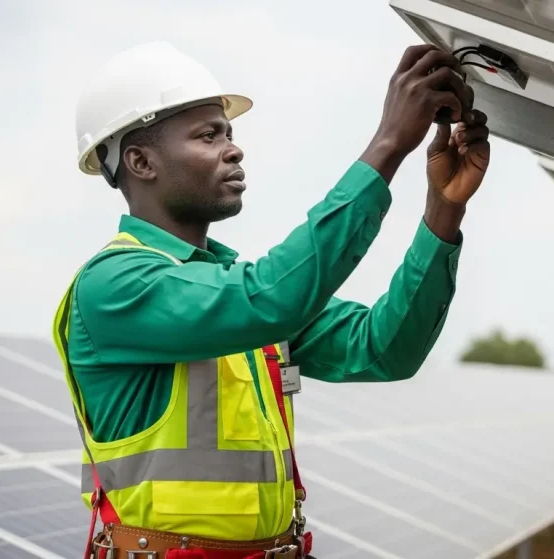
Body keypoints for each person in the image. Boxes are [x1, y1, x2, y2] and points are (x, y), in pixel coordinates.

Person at [53, 40, 491, 559]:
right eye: (207, 135)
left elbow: (383, 349)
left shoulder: (233, 292)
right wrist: (390, 143)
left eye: (230, 133)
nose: (233, 149)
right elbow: (272, 299)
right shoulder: (114, 286)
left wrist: (443, 210)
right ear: (142, 161)